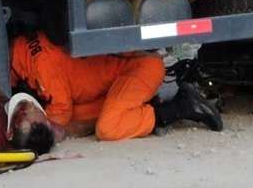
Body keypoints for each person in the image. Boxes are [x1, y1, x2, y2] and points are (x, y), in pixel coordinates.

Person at [11, 31, 223, 142]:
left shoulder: (43, 73)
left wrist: (36, 136)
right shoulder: (25, 49)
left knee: (107, 128)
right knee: (77, 114)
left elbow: (56, 125)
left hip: (139, 68)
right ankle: (134, 108)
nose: (23, 113)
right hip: (124, 71)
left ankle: (182, 106)